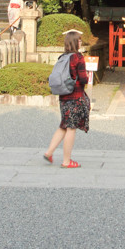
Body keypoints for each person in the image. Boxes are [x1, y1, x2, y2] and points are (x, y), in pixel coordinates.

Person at [43, 31, 90, 168]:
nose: (81, 42)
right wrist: (87, 76)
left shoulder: (63, 57)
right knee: (71, 128)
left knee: (64, 125)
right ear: (74, 42)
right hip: (75, 97)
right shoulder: (78, 58)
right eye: (79, 40)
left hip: (63, 96)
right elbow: (83, 79)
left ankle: (49, 152)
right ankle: (66, 161)